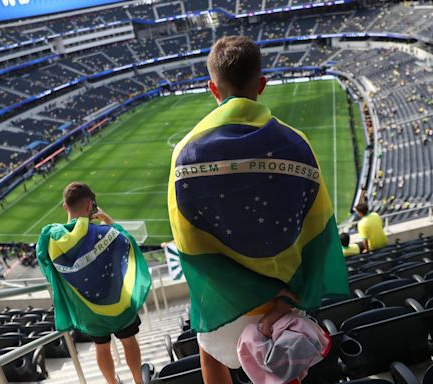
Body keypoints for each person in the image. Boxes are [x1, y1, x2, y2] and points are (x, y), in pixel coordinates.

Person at [167, 36, 349, 384]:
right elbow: (320, 228)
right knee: (283, 363)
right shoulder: (297, 143)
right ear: (261, 84)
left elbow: (188, 244)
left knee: (208, 347)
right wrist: (296, 295)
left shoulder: (186, 153)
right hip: (286, 294)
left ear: (212, 88)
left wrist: (231, 293)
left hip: (226, 299)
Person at [36, 182, 151, 384]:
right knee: (128, 341)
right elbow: (127, 242)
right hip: (118, 303)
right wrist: (109, 221)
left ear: (65, 207)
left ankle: (111, 383)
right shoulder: (105, 232)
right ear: (90, 206)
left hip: (88, 311)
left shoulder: (52, 242)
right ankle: (138, 382)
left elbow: (46, 266)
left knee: (101, 346)